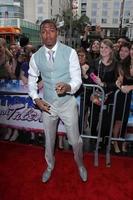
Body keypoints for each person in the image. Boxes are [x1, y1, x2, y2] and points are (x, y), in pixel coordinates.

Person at [28, 19, 88, 183]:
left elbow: (77, 79)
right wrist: (36, 99)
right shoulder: (35, 57)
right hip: (47, 105)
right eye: (44, 31)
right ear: (41, 34)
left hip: (67, 104)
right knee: (49, 140)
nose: (48, 34)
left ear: (57, 32)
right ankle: (49, 165)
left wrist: (68, 87)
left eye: (51, 30)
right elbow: (32, 80)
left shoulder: (70, 52)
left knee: (75, 140)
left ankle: (80, 163)